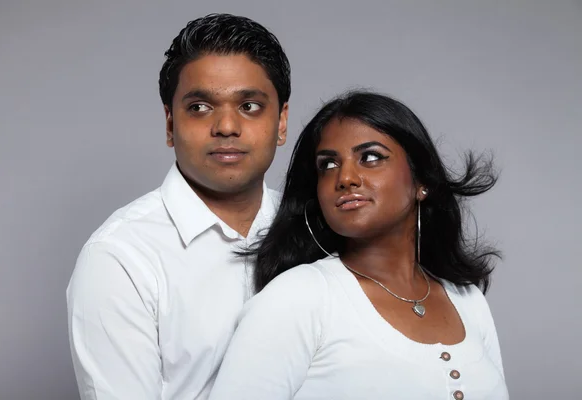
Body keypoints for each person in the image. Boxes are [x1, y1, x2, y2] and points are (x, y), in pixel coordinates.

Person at [209, 91, 509, 399]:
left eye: (370, 157)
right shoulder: (298, 299)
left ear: (422, 182)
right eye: (328, 165)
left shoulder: (467, 300)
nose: (346, 177)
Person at [66, 13, 290, 400]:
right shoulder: (120, 259)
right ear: (170, 124)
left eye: (250, 106)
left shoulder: (314, 228)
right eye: (200, 106)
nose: (226, 127)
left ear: (281, 122)